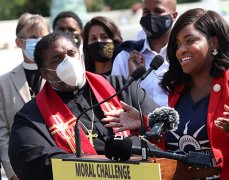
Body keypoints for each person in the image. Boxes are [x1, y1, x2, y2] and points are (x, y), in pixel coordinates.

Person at [105, 8, 229, 180]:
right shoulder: (178, 87)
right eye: (177, 44)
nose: (180, 50)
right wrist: (144, 123)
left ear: (213, 43)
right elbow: (175, 142)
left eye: (189, 41)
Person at [8, 32, 159, 180]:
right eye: (57, 59)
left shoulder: (120, 87)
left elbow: (165, 126)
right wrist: (100, 171)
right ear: (44, 73)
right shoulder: (31, 116)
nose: (68, 61)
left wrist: (144, 123)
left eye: (71, 53)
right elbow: (32, 158)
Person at [0, 13, 49, 180]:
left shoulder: (58, 76)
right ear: (19, 42)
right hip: (20, 168)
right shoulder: (4, 82)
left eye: (44, 36)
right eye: (33, 37)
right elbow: (2, 131)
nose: (39, 41)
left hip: (55, 163)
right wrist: (12, 172)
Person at [111, 0, 178, 107]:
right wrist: (131, 79)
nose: (151, 17)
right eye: (146, 12)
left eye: (158, 11)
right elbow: (115, 102)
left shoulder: (183, 54)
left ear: (174, 16)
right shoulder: (125, 57)